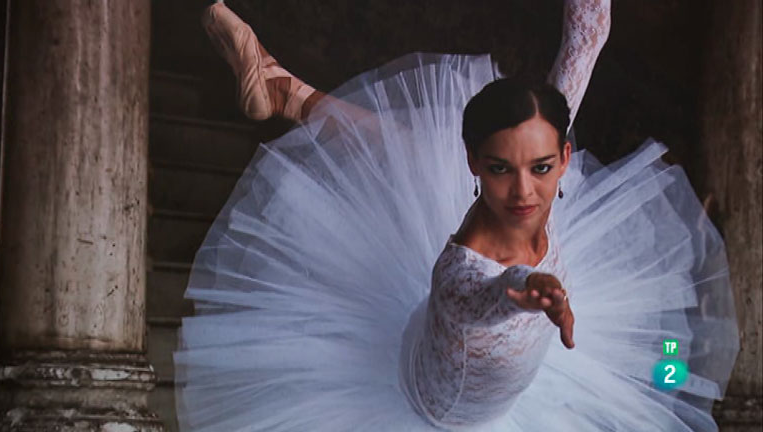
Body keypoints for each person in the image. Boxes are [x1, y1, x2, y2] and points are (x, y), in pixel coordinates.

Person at [173, 1, 739, 431]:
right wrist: (530, 289)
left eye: (542, 168)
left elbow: (587, 39)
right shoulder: (458, 271)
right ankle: (282, 92)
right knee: (419, 156)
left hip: (526, 378)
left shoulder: (541, 164)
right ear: (476, 165)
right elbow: (489, 296)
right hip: (433, 406)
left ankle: (283, 91)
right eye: (500, 169)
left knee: (418, 152)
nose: (524, 191)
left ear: (564, 157)